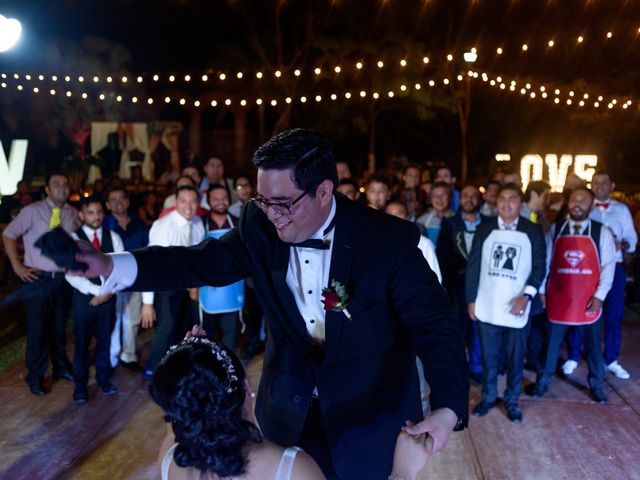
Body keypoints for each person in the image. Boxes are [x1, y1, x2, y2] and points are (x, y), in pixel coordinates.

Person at [74, 129, 469, 479]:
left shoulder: (389, 241)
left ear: (324, 191)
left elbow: (436, 328)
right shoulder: (258, 224)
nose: (272, 216)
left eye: (283, 204)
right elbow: (196, 261)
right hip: (287, 412)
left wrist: (447, 408)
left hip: (369, 418)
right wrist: (112, 265)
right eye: (263, 201)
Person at [152, 332, 431, 480]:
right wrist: (403, 471)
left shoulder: (170, 459)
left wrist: (186, 368)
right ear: (248, 387)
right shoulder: (288, 468)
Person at [467, 184, 546, 423]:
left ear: (520, 204)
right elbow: (474, 266)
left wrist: (528, 296)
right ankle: (489, 396)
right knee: (489, 357)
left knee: (515, 357)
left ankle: (512, 399)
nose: (506, 203)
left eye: (512, 199)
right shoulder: (485, 229)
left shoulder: (532, 230)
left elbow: (540, 266)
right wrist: (471, 299)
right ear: (496, 202)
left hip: (517, 306)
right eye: (502, 198)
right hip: (488, 303)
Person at [531, 187, 615, 403]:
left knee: (594, 346)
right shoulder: (556, 229)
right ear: (569, 202)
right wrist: (541, 291)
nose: (578, 204)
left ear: (591, 205)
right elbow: (547, 262)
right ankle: (542, 382)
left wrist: (600, 296)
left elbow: (608, 266)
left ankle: (596, 384)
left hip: (589, 300)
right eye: (575, 200)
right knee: (550, 345)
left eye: (584, 201)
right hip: (559, 298)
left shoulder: (601, 231)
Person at [2, 173, 80, 395]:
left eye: (65, 184)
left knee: (58, 327)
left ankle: (61, 367)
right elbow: (8, 234)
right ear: (47, 190)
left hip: (64, 279)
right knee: (38, 330)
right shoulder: (32, 211)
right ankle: (35, 375)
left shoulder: (72, 214)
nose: (61, 188)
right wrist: (16, 266)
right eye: (56, 184)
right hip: (38, 279)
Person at [564, 170, 638, 380]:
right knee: (580, 312)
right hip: (585, 269)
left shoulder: (622, 210)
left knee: (614, 315)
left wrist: (619, 244)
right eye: (596, 183)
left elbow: (631, 240)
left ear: (612, 186)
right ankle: (574, 355)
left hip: (614, 267)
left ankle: (611, 359)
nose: (600, 186)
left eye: (604, 183)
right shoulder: (582, 207)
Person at [140, 185, 206, 380]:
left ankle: (176, 368)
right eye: (183, 201)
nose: (189, 206)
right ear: (175, 202)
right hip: (166, 286)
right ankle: (152, 369)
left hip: (188, 287)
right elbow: (150, 264)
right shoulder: (163, 226)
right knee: (166, 329)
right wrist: (147, 303)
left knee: (184, 329)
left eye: (193, 201)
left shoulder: (197, 223)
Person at [65, 197, 123, 404]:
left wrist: (105, 293)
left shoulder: (113, 237)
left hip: (107, 299)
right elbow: (70, 273)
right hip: (84, 301)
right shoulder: (73, 239)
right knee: (81, 344)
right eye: (90, 212)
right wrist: (94, 291)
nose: (96, 216)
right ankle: (80, 387)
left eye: (99, 212)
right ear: (81, 215)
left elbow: (119, 267)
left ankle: (104, 380)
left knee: (104, 342)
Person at [437, 185, 488, 383]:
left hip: (482, 286)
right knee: (457, 328)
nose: (469, 199)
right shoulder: (450, 223)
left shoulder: (489, 223)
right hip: (456, 286)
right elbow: (442, 255)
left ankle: (475, 367)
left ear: (479, 200)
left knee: (477, 326)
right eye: (465, 196)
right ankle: (457, 368)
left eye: (473, 196)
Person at [104, 187, 149, 371]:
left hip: (134, 277)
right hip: (111, 278)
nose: (118, 202)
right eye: (113, 199)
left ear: (128, 201)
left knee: (132, 318)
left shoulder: (139, 223)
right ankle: (110, 354)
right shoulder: (104, 224)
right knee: (112, 318)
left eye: (121, 198)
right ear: (108, 204)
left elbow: (147, 248)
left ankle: (128, 355)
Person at [200, 184, 243, 352]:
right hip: (206, 286)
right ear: (208, 200)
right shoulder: (200, 223)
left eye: (224, 198)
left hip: (232, 285)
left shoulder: (238, 223)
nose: (220, 202)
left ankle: (229, 368)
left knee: (230, 332)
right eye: (215, 198)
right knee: (206, 332)